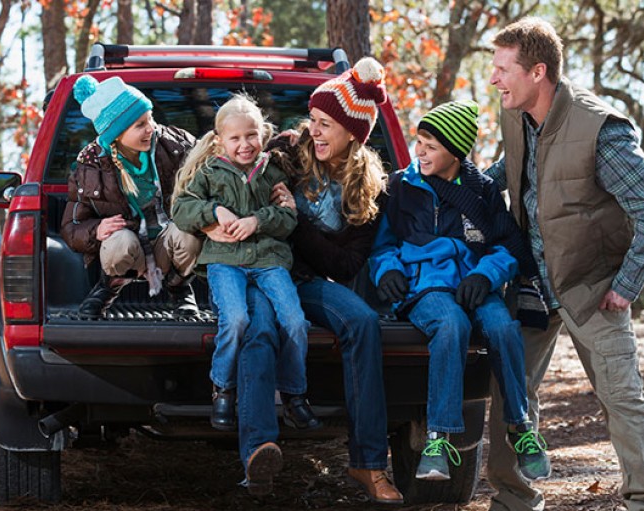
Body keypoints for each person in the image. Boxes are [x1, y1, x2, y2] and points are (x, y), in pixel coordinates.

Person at [483, 17, 644, 511]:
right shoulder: (514, 115)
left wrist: (627, 284)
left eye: (503, 69)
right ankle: (513, 500)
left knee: (623, 399)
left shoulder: (598, 130)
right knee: (511, 394)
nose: (494, 79)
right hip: (531, 284)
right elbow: (500, 178)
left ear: (538, 72)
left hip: (593, 287)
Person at [223, 57, 404, 503]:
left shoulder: (367, 187)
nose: (316, 131)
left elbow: (344, 266)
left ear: (353, 133)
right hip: (262, 272)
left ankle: (368, 463)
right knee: (261, 331)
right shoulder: (285, 151)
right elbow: (235, 173)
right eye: (315, 121)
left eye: (326, 124)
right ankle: (257, 455)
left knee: (362, 321)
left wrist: (293, 220)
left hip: (307, 282)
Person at [368, 100, 551, 483]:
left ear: (455, 151)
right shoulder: (402, 186)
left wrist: (485, 275)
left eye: (430, 146)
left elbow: (506, 246)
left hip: (473, 285)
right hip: (424, 286)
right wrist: (387, 271)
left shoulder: (481, 190)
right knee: (451, 325)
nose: (420, 151)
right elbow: (381, 246)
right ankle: (438, 439)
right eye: (418, 142)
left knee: (503, 329)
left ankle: (521, 427)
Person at [169, 94, 313, 433]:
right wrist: (213, 211)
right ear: (220, 142)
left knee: (294, 321)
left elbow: (288, 218)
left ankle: (294, 394)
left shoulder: (272, 172)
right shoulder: (209, 172)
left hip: (269, 260)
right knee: (235, 320)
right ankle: (223, 387)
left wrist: (258, 221)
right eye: (235, 138)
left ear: (262, 134)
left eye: (251, 135)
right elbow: (182, 210)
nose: (245, 144)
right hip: (225, 262)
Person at [60, 75, 200, 318]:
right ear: (116, 134)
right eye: (140, 125)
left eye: (151, 118)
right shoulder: (90, 167)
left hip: (167, 243)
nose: (151, 128)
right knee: (118, 242)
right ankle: (107, 288)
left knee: (188, 233)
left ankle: (180, 289)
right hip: (131, 248)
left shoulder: (175, 144)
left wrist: (273, 146)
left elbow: (218, 157)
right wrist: (96, 229)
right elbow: (71, 226)